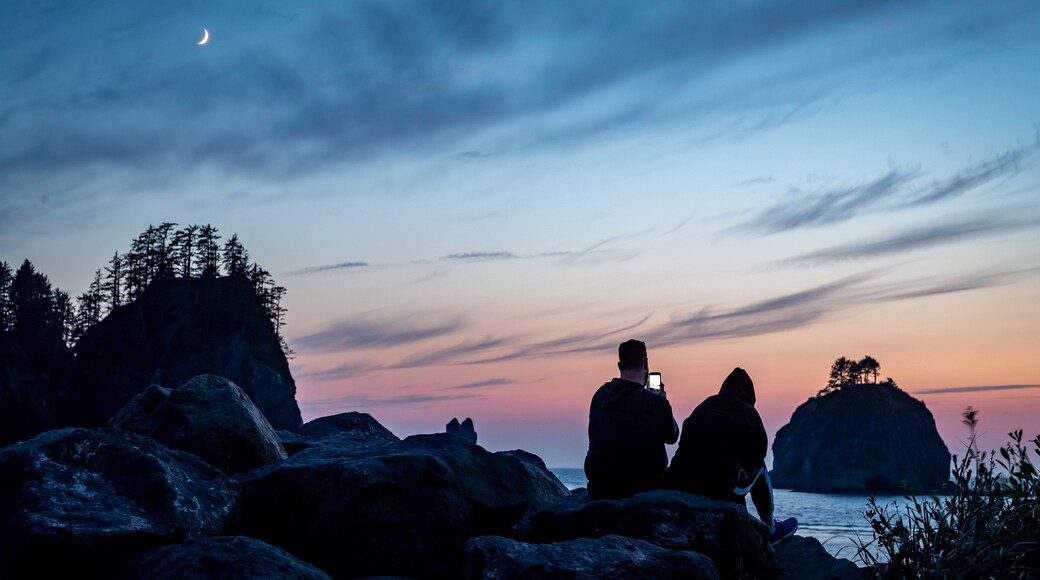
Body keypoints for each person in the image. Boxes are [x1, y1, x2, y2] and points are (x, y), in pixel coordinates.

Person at [664, 367, 798, 545]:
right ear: (751, 397)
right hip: (720, 484)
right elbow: (759, 453)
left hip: (681, 481)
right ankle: (770, 527)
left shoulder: (703, 406)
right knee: (761, 469)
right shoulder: (749, 413)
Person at [584, 339, 679, 499]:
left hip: (599, 484)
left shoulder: (600, 395)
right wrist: (663, 401)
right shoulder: (653, 402)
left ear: (619, 365)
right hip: (638, 486)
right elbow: (672, 436)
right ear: (646, 363)